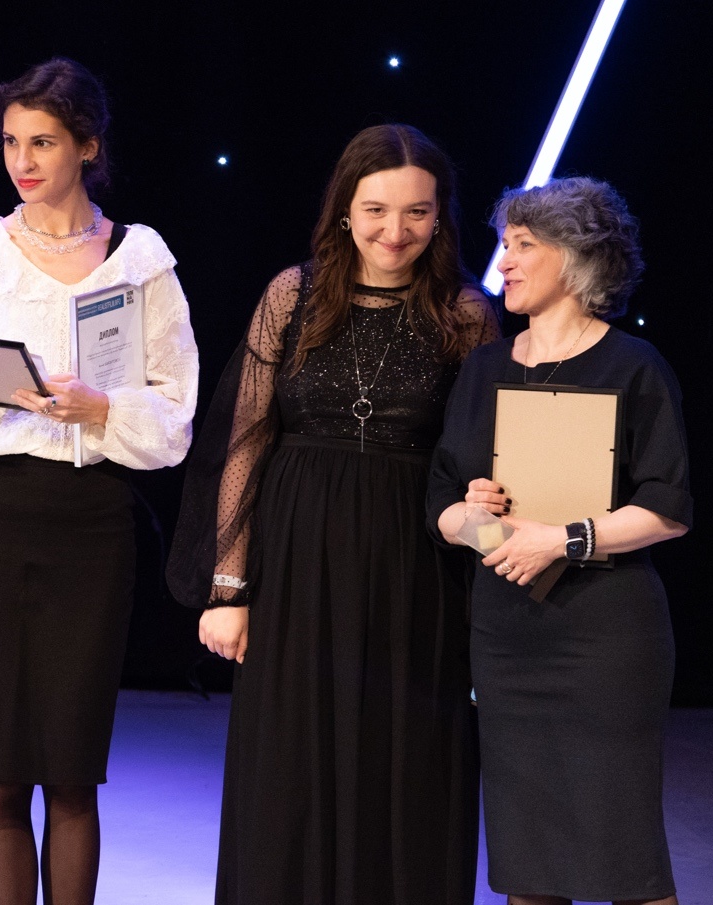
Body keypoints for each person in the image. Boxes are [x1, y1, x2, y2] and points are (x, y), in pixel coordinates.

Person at [0, 57, 198, 905]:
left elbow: (175, 420)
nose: (22, 161)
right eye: (11, 143)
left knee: (71, 770)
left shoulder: (140, 262)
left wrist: (101, 408)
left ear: (88, 146)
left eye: (44, 143)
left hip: (90, 522)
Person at [167, 124, 500, 904]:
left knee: (406, 762)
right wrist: (228, 587)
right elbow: (245, 439)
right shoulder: (294, 293)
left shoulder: (466, 312)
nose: (395, 231)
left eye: (417, 212)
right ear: (345, 210)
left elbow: (485, 454)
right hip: (295, 562)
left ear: (440, 216)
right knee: (289, 766)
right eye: (376, 209)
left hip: (415, 568)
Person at [428, 177, 691, 905]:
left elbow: (668, 508)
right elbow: (442, 502)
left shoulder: (635, 366)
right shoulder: (484, 367)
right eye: (503, 244)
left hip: (605, 638)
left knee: (627, 857)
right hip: (508, 636)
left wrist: (563, 539)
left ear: (576, 257)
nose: (503, 262)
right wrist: (480, 518)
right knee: (528, 859)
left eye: (522, 245)